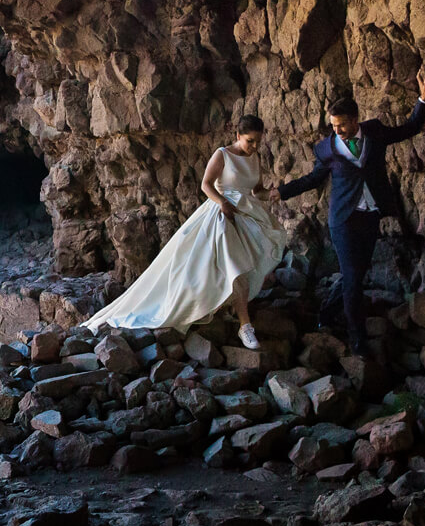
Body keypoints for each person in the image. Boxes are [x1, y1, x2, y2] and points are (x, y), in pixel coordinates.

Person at [84, 116, 288, 351]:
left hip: (246, 215)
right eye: (250, 141)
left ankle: (230, 309)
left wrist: (272, 194)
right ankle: (244, 325)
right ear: (238, 136)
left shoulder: (255, 158)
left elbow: (257, 190)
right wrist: (222, 202)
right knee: (233, 266)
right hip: (221, 214)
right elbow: (206, 184)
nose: (254, 147)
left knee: (242, 265)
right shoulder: (223, 154)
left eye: (258, 142)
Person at [275, 70, 425, 357]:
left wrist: (423, 99)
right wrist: (281, 192)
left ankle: (326, 311)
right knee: (352, 276)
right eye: (334, 125)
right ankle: (357, 338)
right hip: (342, 220)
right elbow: (312, 179)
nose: (338, 130)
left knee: (355, 277)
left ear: (355, 119)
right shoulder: (326, 149)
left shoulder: (374, 132)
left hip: (370, 216)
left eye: (343, 125)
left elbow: (408, 128)